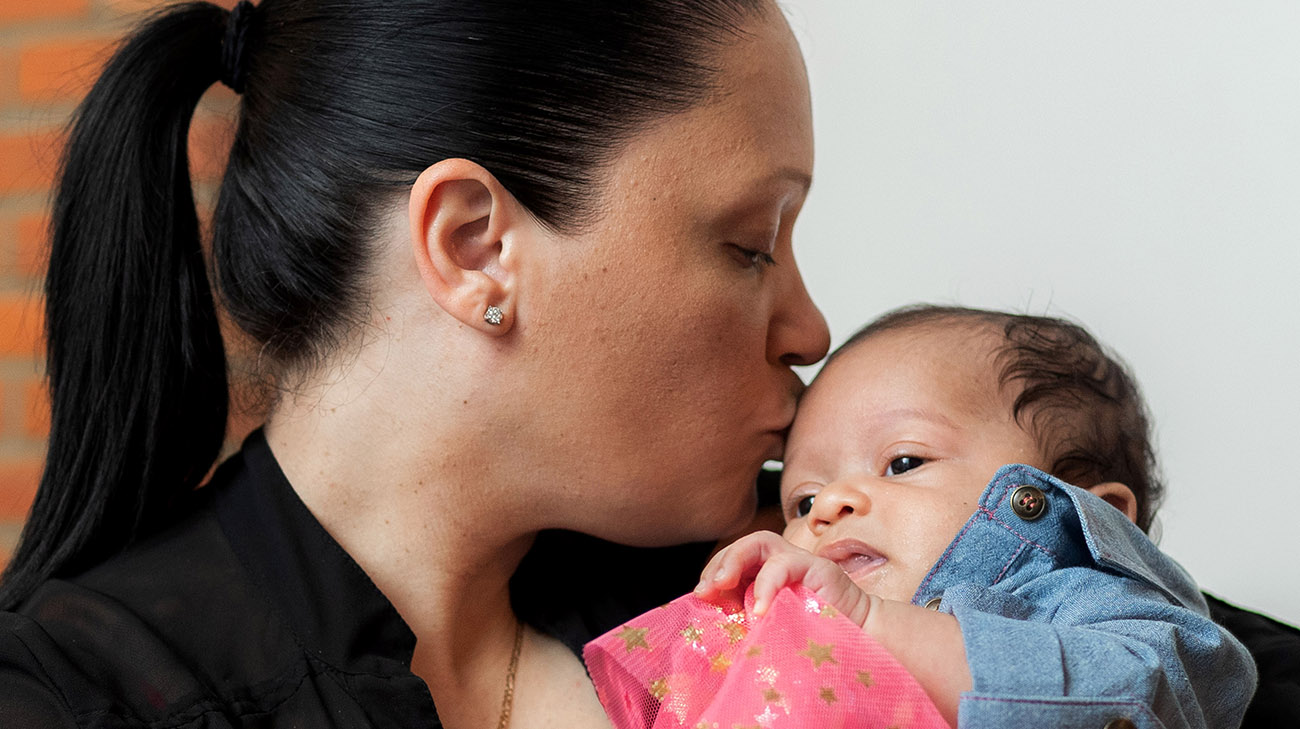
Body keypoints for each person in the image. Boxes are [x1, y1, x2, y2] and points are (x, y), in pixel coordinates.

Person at [0, 0, 831, 726]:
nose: (812, 332)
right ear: (474, 246)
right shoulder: (72, 699)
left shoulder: (799, 584)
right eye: (752, 245)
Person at [588, 305, 1257, 728]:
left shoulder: (1091, 601)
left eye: (903, 461)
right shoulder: (789, 643)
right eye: (800, 499)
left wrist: (877, 622)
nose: (828, 505)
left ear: (1096, 519)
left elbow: (1148, 687)